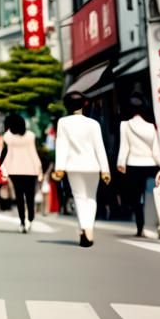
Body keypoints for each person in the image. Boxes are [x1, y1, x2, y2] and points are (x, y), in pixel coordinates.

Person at [52, 91, 111, 247]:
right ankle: (88, 229)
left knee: (79, 197)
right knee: (91, 198)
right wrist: (105, 170)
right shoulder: (93, 124)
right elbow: (100, 148)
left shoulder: (63, 122)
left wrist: (59, 168)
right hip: (93, 166)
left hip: (73, 167)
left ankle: (84, 228)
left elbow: (62, 145)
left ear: (66, 105)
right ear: (84, 104)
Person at [117, 96, 160, 239]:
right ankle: (152, 226)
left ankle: (140, 227)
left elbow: (124, 147)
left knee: (136, 199)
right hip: (150, 166)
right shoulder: (150, 127)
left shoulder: (125, 125)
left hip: (133, 165)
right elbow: (156, 151)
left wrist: (120, 163)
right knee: (150, 197)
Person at [1, 112, 42, 233]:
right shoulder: (31, 136)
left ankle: (22, 222)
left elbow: (8, 155)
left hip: (15, 170)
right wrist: (39, 170)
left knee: (19, 197)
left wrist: (4, 169)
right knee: (30, 196)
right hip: (31, 170)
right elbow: (34, 153)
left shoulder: (8, 137)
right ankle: (30, 219)